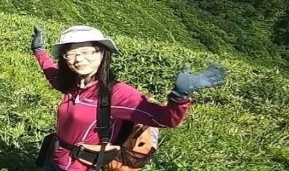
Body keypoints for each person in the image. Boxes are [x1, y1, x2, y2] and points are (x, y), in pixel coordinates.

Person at [31, 24, 227, 171]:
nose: (79, 59)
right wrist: (38, 50)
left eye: (88, 51)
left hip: (83, 166)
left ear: (103, 54)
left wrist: (179, 96)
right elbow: (51, 72)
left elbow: (164, 119)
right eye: (71, 53)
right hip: (53, 159)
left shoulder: (117, 94)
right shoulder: (72, 85)